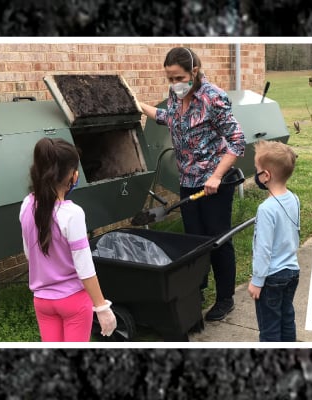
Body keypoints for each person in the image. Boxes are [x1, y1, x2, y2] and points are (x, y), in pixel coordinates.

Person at [138, 47, 245, 321]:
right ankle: (197, 290)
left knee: (217, 240)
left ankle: (225, 299)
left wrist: (217, 176)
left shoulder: (213, 97)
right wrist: (138, 104)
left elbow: (236, 142)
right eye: (169, 79)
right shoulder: (176, 98)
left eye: (178, 77)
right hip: (188, 182)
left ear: (193, 72)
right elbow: (166, 118)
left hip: (214, 184)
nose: (174, 84)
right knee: (194, 242)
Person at [20, 137, 116, 342]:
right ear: (71, 176)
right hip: (73, 302)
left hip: (42, 301)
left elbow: (29, 253)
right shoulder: (72, 213)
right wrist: (101, 307)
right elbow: (85, 267)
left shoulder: (26, 204)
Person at [248, 140, 300, 342]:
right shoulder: (294, 198)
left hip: (272, 278)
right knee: (287, 319)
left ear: (266, 176)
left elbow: (263, 249)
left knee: (269, 328)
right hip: (292, 272)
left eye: (257, 169)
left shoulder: (266, 209)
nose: (256, 173)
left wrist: (257, 281)